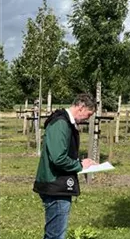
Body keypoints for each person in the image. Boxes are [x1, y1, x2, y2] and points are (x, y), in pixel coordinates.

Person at [33, 94, 98, 239]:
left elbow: (61, 152)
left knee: (54, 233)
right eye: (89, 114)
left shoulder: (66, 123)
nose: (88, 118)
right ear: (81, 107)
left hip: (58, 184)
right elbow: (58, 158)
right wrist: (79, 165)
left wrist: (81, 162)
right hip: (55, 186)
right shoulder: (61, 123)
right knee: (55, 235)